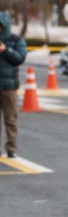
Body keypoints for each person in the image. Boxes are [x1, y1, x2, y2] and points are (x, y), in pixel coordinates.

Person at [0, 11, 27, 158]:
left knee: (10, 119)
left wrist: (6, 50)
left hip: (9, 87)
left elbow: (20, 58)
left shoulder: (16, 40)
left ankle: (11, 148)